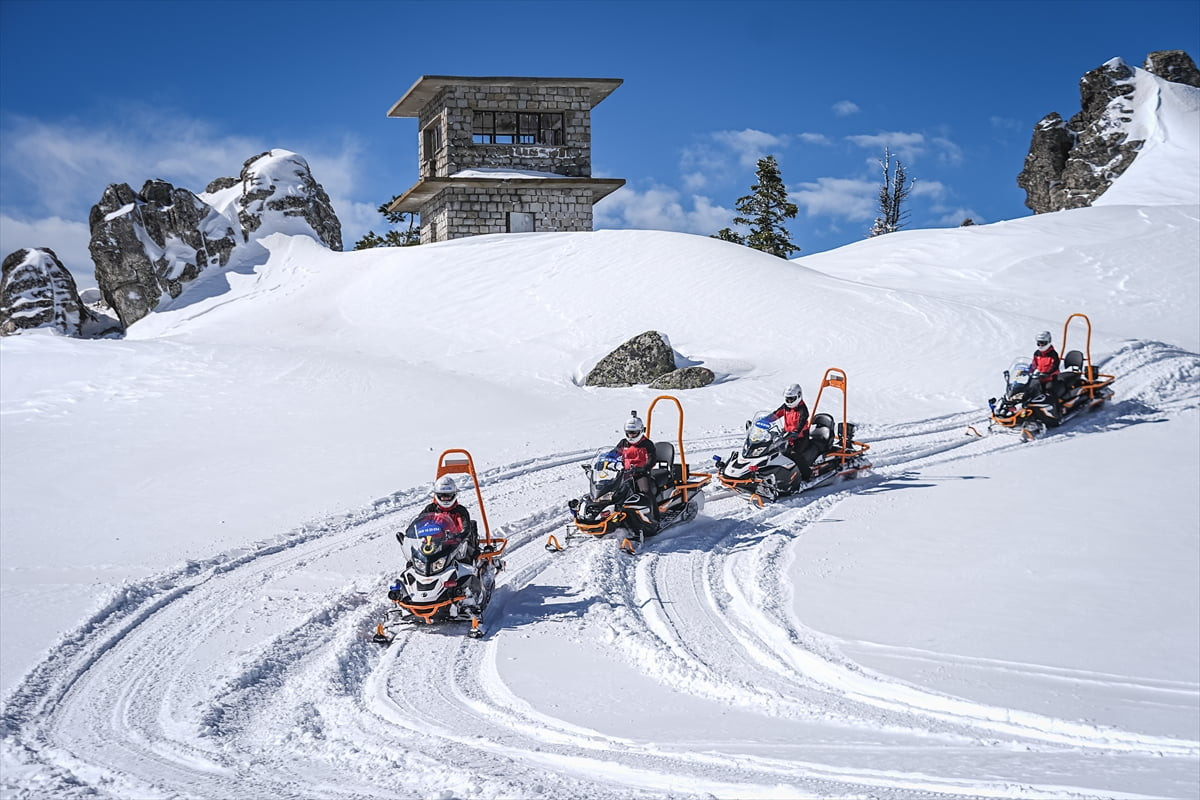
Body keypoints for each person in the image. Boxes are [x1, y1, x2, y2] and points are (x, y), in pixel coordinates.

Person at [614, 414, 659, 529]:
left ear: (640, 431)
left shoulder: (647, 444)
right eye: (629, 432)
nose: (631, 435)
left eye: (634, 433)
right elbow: (613, 454)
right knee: (613, 492)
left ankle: (654, 519)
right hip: (625, 473)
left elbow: (651, 460)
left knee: (646, 491)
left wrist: (643, 468)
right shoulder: (623, 443)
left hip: (641, 473)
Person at [769, 383, 811, 472]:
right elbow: (776, 414)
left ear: (798, 396)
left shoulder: (802, 409)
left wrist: (795, 432)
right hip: (787, 436)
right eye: (787, 399)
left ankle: (807, 474)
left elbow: (802, 423)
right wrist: (763, 421)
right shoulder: (785, 407)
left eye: (791, 399)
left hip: (800, 437)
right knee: (774, 451)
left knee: (795, 454)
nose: (789, 401)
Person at [1029, 331, 1061, 400]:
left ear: (1048, 342)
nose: (1040, 345)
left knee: (1049, 390)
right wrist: (1028, 370)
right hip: (1038, 378)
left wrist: (1047, 373)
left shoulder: (1053, 355)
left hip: (1050, 378)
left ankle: (1057, 408)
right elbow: (1034, 364)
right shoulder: (1037, 353)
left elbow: (1055, 367)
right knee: (1029, 389)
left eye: (1043, 343)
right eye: (1039, 343)